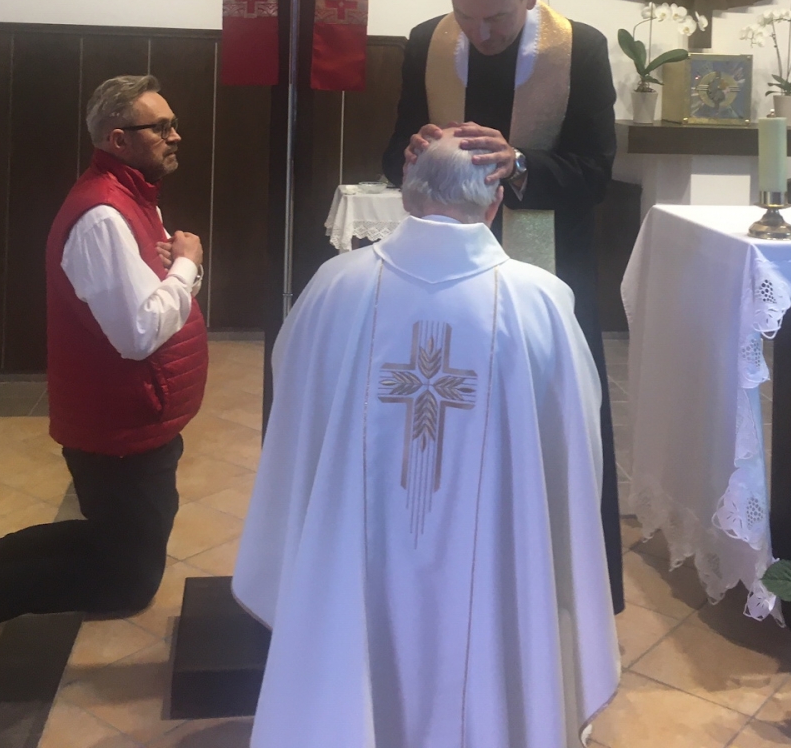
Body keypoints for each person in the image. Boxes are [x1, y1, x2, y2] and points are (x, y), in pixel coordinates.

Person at [233, 135, 620, 748]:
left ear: (407, 196)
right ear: (495, 203)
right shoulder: (540, 301)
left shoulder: (335, 286)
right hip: (497, 563)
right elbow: (574, 439)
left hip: (353, 552)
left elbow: (296, 399)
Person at [0, 75, 208, 695]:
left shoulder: (134, 197)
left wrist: (178, 271)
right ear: (118, 138)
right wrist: (189, 264)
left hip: (138, 415)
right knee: (124, 576)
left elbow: (147, 299)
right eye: (161, 127)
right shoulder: (103, 215)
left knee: (116, 547)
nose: (175, 136)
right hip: (116, 423)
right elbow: (139, 332)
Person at [381, 0, 623, 611]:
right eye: (465, 14)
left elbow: (595, 174)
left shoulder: (580, 49)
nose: (480, 32)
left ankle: (560, 585)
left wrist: (518, 164)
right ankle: (439, 574)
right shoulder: (428, 42)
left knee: (552, 420)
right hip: (445, 276)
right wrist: (411, 154)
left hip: (546, 268)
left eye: (497, 17)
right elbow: (392, 152)